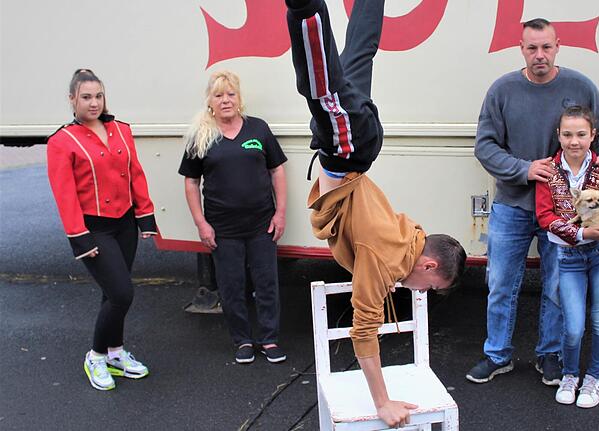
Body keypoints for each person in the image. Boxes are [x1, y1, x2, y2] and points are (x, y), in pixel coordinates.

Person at [285, 0, 467, 427]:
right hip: (348, 149)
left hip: (356, 152)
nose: (418, 292)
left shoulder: (410, 235)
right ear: (429, 263)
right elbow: (363, 331)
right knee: (321, 87)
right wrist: (383, 402)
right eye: (426, 286)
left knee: (359, 52)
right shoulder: (385, 259)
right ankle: (303, 7)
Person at [469, 18, 599, 386]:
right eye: (532, 48)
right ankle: (497, 355)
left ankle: (549, 355)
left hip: (563, 210)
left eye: (546, 47)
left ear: (558, 46)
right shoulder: (502, 90)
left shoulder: (580, 86)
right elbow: (485, 146)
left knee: (557, 284)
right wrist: (523, 169)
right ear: (521, 48)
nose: (540, 55)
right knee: (501, 282)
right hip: (513, 204)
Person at [47, 69, 157, 391]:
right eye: (85, 97)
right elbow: (65, 195)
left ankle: (116, 353)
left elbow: (135, 173)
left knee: (113, 294)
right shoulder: (61, 141)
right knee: (123, 293)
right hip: (93, 229)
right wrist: (79, 238)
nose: (93, 103)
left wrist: (145, 217)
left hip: (124, 224)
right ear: (72, 100)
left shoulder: (121, 130)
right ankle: (95, 356)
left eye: (98, 96)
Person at [179, 71, 288, 365]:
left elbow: (276, 170)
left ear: (239, 99)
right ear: (210, 101)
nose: (225, 100)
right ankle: (242, 341)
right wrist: (201, 223)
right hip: (222, 228)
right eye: (218, 95)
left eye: (230, 94)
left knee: (266, 283)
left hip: (261, 223)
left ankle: (269, 339)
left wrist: (280, 213)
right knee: (231, 286)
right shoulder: (201, 135)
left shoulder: (258, 129)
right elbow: (191, 182)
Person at [535, 106, 599, 408]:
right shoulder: (548, 171)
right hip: (568, 256)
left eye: (581, 134)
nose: (574, 141)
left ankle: (594, 379)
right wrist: (580, 234)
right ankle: (569, 375)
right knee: (573, 325)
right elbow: (544, 216)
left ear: (593, 136)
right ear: (558, 136)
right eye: (567, 134)